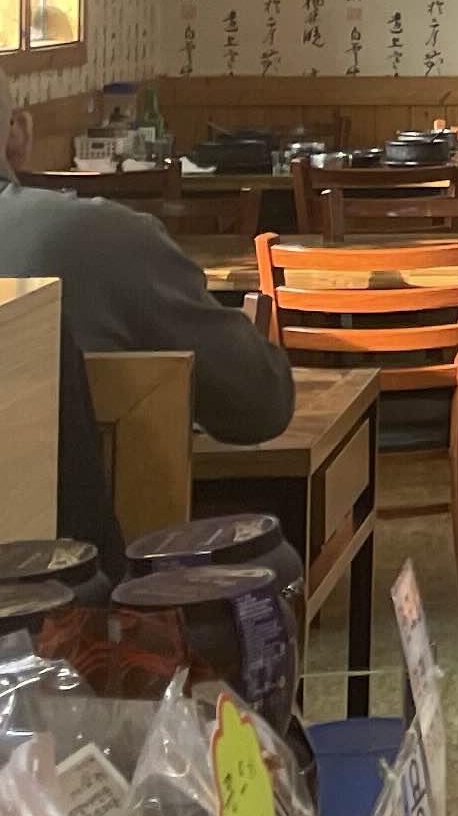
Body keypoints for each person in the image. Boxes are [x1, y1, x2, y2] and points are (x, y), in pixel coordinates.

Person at [0, 186, 295, 561]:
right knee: (278, 556)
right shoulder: (102, 236)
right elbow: (262, 405)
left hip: (44, 565)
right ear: (18, 146)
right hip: (82, 573)